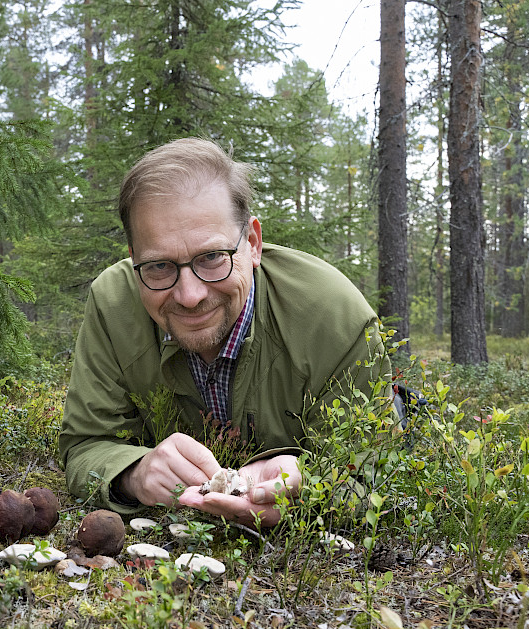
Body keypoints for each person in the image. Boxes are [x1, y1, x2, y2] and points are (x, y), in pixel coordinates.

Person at [59, 138, 391, 528]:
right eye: (159, 266)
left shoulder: (334, 316)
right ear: (133, 257)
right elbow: (85, 444)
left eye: (212, 257)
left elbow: (374, 471)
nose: (189, 295)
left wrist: (313, 485)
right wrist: (134, 473)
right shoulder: (114, 304)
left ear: (252, 243)